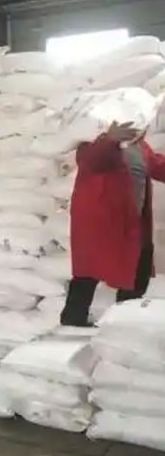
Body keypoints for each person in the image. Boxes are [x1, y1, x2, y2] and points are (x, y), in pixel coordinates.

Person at [60, 120, 165, 327]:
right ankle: (72, 321)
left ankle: (124, 323)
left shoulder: (140, 146)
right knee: (88, 274)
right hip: (102, 224)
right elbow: (92, 161)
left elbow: (157, 165)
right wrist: (110, 139)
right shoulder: (95, 144)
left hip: (132, 222)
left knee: (138, 271)